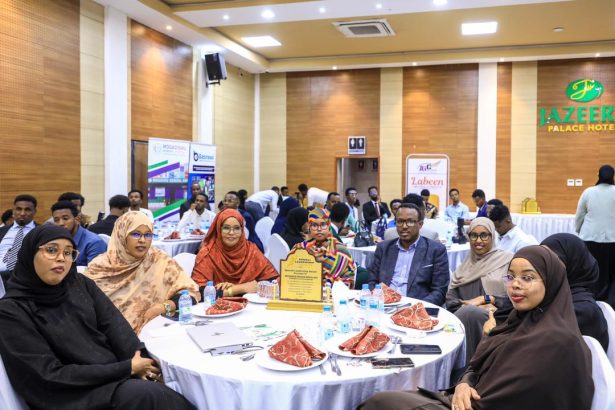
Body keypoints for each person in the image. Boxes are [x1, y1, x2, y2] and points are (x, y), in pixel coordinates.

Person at [359, 246, 594, 410]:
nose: (515, 285)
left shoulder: (558, 342)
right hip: (468, 399)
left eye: (528, 277)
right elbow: (478, 366)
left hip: (479, 405)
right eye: (510, 277)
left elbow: (517, 399)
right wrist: (464, 384)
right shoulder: (519, 320)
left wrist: (465, 391)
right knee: (382, 400)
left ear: (551, 282)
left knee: (380, 404)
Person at [0, 224, 196, 410]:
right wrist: (126, 368)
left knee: (165, 383)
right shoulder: (12, 310)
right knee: (146, 395)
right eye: (51, 250)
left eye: (68, 253)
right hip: (66, 394)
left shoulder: (79, 284)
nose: (61, 258)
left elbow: (116, 326)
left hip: (109, 376)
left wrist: (141, 360)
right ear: (29, 254)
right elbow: (47, 374)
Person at [85, 212, 200, 334]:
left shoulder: (159, 260)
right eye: (135, 234)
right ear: (121, 235)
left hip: (153, 334)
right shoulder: (99, 268)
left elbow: (191, 293)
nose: (142, 240)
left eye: (148, 235)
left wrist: (163, 307)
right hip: (107, 338)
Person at [446, 217, 514, 362]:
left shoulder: (508, 262)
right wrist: (470, 307)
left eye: (484, 235)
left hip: (498, 319)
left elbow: (514, 296)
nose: (478, 240)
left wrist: (487, 300)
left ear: (492, 236)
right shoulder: (465, 266)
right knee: (469, 313)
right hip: (465, 319)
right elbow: (450, 301)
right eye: (473, 235)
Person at [367, 203, 449, 306]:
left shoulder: (436, 250)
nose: (404, 226)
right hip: (383, 305)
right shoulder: (383, 248)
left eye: (410, 221)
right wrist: (376, 299)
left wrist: (418, 307)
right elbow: (372, 280)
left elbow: (439, 291)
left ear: (420, 224)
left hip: (416, 305)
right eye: (400, 221)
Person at [541, 233, 609, 351]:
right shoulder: (553, 294)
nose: (543, 264)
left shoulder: (583, 310)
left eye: (553, 259)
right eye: (542, 258)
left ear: (573, 263)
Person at [191, 209, 278, 297]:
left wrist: (247, 287)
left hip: (250, 303)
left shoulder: (251, 251)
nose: (231, 233)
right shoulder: (208, 253)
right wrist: (238, 289)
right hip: (215, 304)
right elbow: (197, 291)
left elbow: (274, 281)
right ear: (218, 229)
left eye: (236, 228)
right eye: (226, 228)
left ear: (242, 230)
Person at [575, 164, 615, 307]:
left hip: (590, 238)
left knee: (591, 270)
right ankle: (610, 304)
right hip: (613, 239)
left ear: (599, 175)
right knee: (611, 274)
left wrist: (578, 230)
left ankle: (590, 300)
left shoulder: (588, 192)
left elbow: (580, 214)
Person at [291, 208, 356, 287]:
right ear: (309, 227)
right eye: (314, 225)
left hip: (334, 293)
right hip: (304, 291)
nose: (319, 229)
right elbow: (290, 274)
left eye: (323, 225)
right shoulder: (299, 248)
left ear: (328, 225)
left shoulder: (341, 250)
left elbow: (348, 278)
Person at [52, 201, 107, 266]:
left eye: (65, 218)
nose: (60, 223)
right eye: (56, 220)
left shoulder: (94, 242)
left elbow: (95, 271)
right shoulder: (56, 240)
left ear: (77, 219)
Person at [0, 194, 38, 284]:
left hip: (24, 278)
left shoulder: (41, 231)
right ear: (13, 210)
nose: (22, 213)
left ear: (34, 211)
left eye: (27, 210)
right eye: (19, 209)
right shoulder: (1, 231)